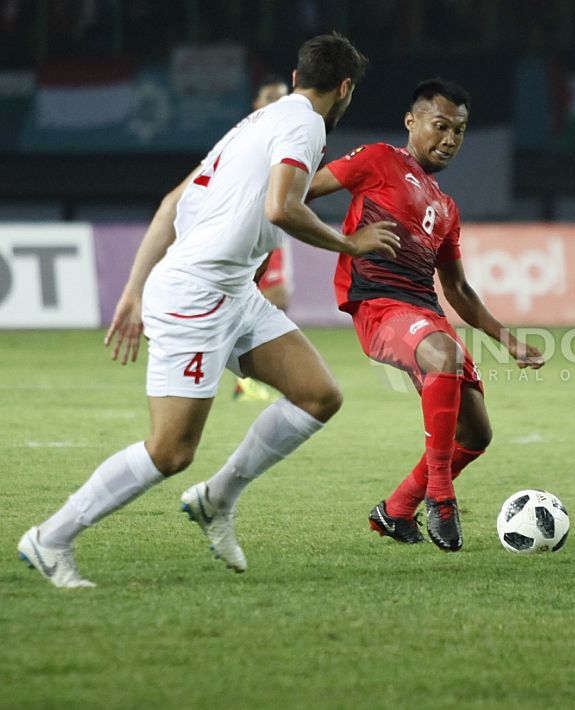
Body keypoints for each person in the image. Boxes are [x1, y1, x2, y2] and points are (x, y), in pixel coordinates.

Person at [17, 34, 403, 588]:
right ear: (345, 89)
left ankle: (216, 499)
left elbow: (174, 201)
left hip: (232, 292)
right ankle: (51, 537)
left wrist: (131, 289)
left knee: (319, 395)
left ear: (296, 78)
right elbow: (281, 207)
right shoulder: (305, 125)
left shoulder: (259, 121)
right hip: (197, 296)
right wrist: (351, 244)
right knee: (170, 451)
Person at [306, 78, 544, 552]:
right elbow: (301, 193)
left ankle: (395, 510)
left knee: (476, 433)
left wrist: (508, 339)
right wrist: (345, 242)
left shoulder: (446, 208)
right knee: (445, 360)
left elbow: (456, 288)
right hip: (378, 304)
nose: (450, 139)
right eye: (440, 126)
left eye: (459, 130)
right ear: (411, 122)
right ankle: (440, 497)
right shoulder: (377, 159)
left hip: (425, 311)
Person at [235, 74, 296, 402]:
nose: (278, 104)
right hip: (253, 224)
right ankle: (244, 377)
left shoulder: (285, 138)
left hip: (274, 223)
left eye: (283, 98)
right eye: (271, 97)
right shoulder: (248, 138)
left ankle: (247, 376)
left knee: (277, 298)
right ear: (256, 105)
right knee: (272, 296)